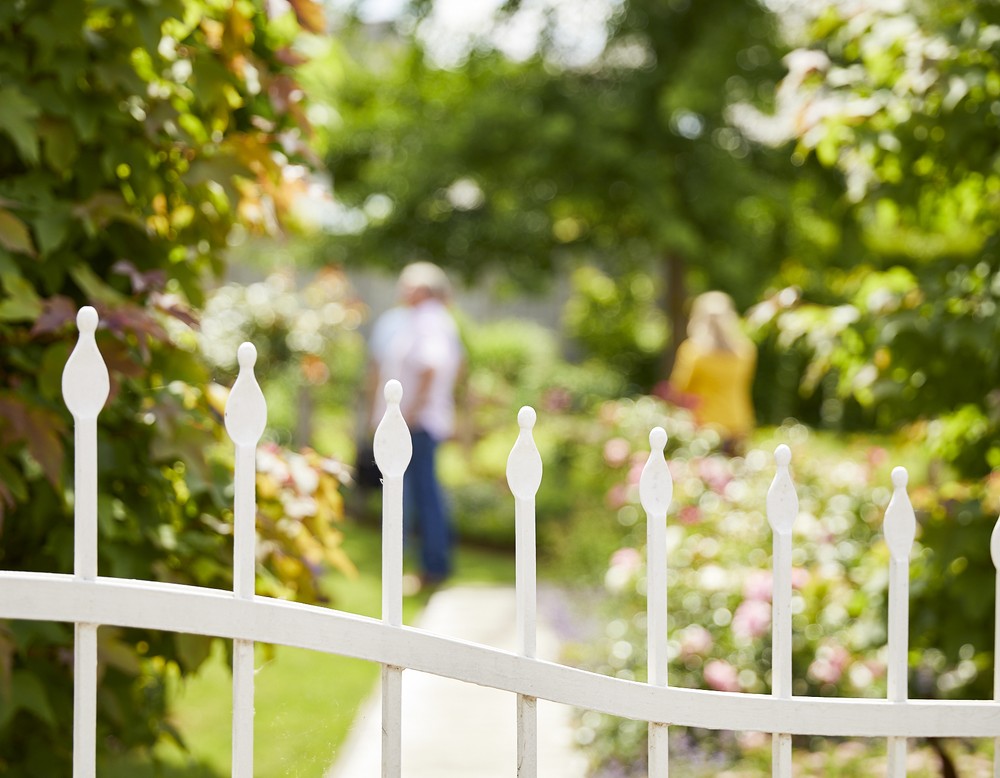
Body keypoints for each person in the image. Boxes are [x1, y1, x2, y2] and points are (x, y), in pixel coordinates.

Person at [368, 262, 464, 586]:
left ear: (423, 290)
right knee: (425, 493)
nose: (402, 291)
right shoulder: (435, 319)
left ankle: (433, 567)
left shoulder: (428, 319)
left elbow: (429, 367)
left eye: (407, 285)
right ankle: (432, 565)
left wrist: (407, 414)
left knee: (422, 495)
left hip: (418, 425)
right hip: (423, 422)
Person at [662, 291, 756, 452]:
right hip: (739, 424)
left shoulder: (694, 352)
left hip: (704, 428)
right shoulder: (746, 352)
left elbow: (679, 388)